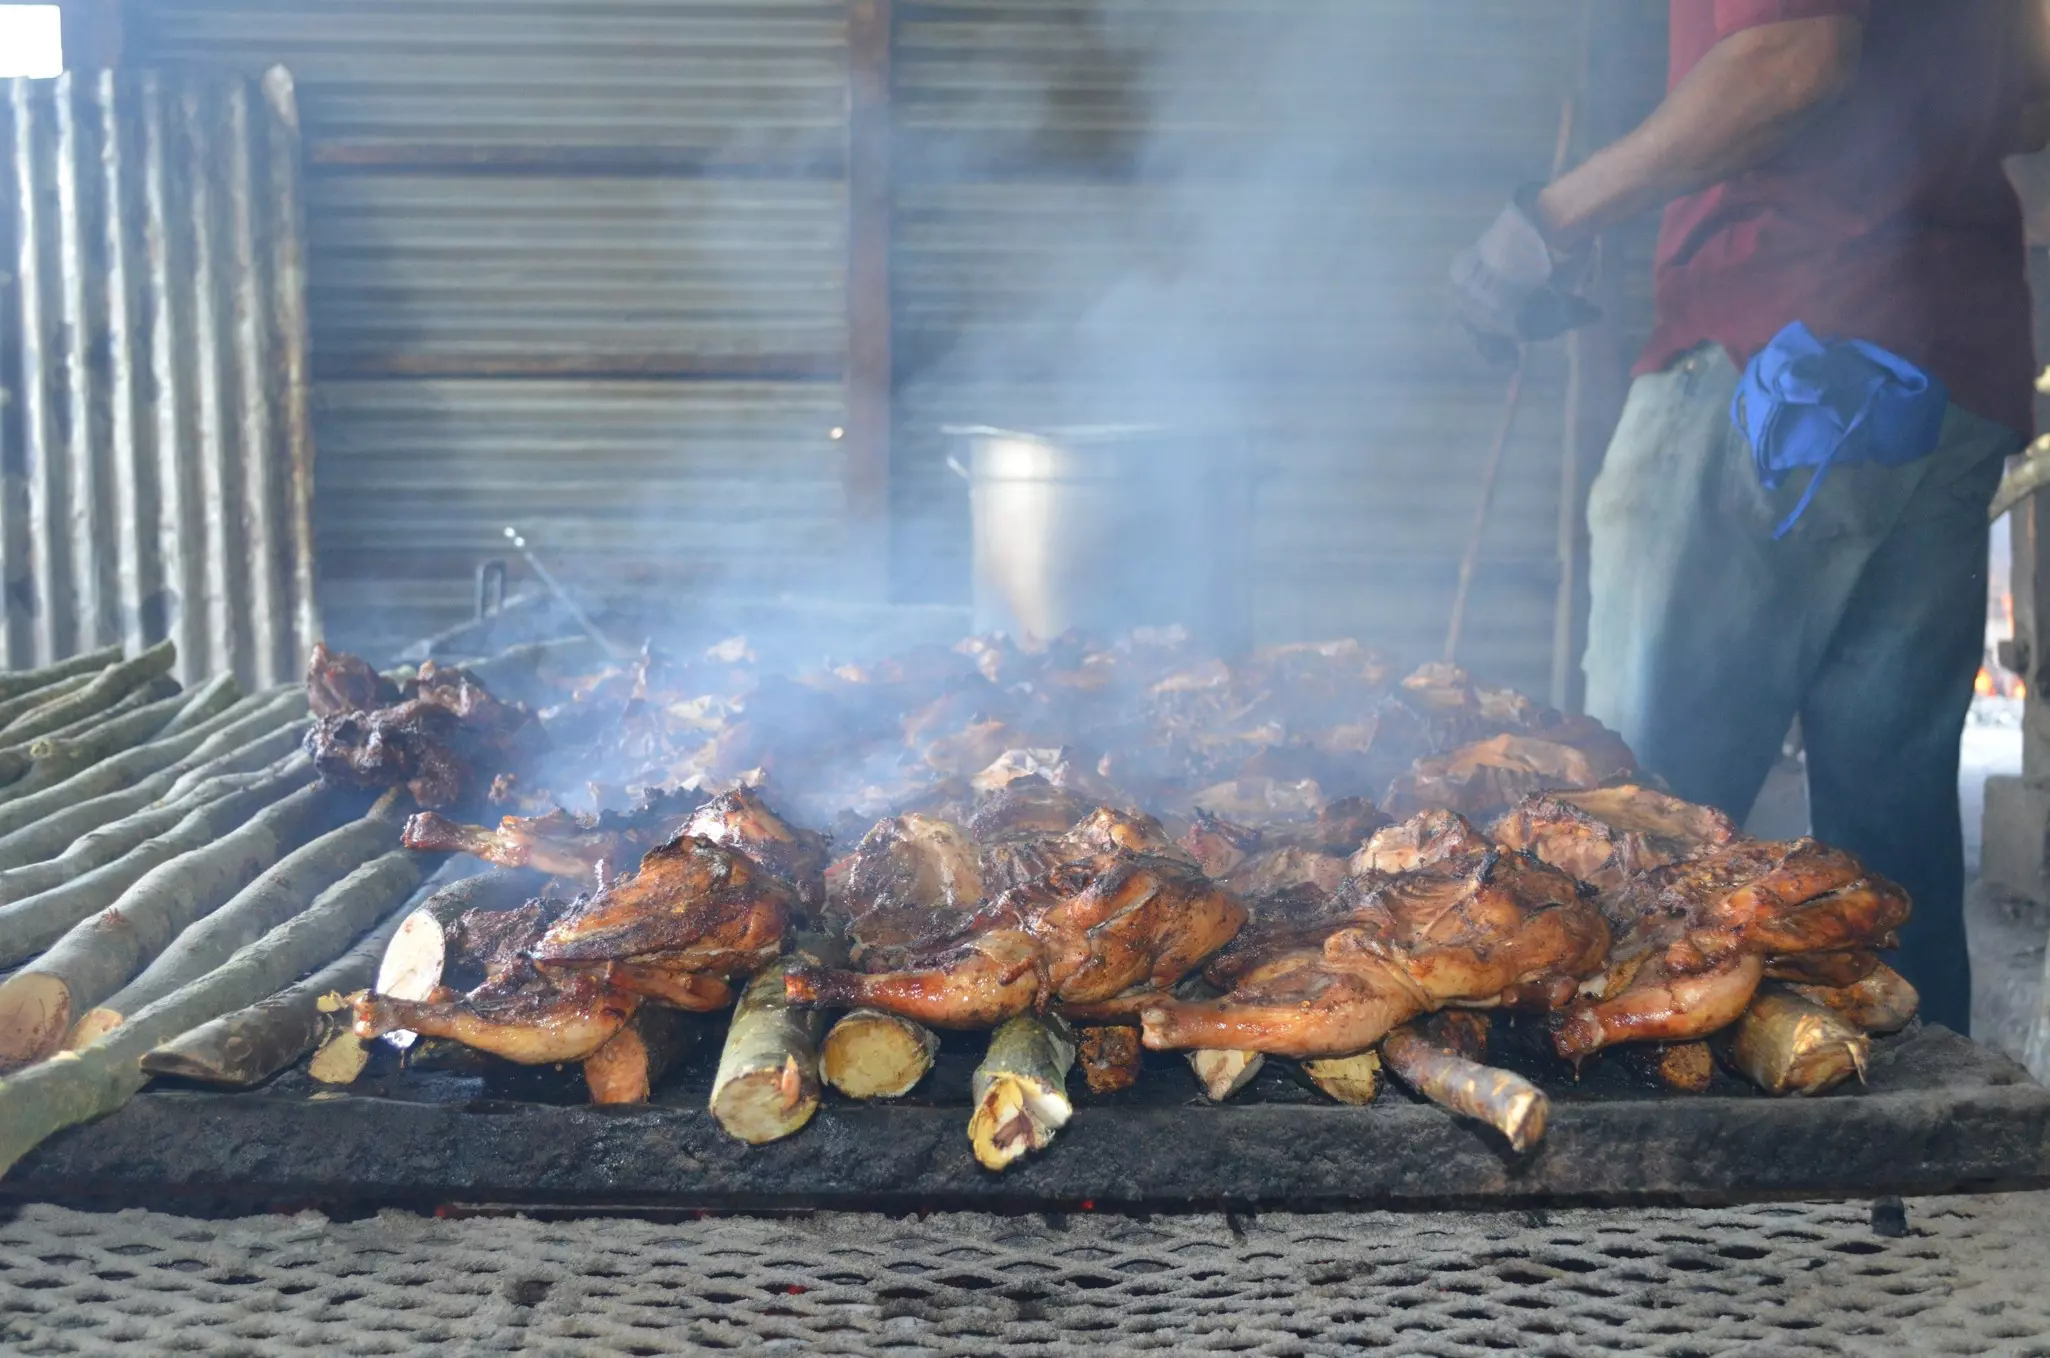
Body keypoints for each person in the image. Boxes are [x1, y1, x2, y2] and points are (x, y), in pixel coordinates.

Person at [1451, 1, 2050, 1035]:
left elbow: (1793, 55)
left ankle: (1622, 1143)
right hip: (1945, 367)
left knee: (1637, 819)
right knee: (1885, 838)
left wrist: (1554, 217)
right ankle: (1913, 1131)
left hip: (1784, 359)